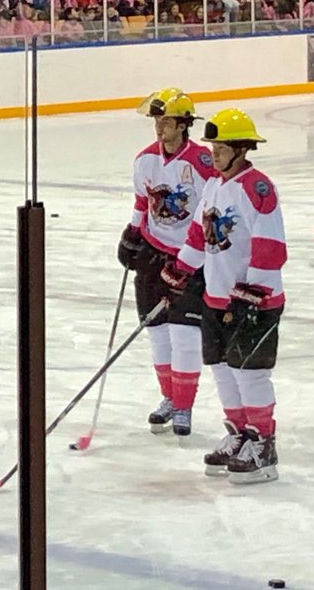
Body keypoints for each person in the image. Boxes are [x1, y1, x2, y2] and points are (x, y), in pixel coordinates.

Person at [162, 108, 286, 484]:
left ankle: (263, 445)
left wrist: (254, 291)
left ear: (242, 149)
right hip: (216, 299)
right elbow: (200, 235)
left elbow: (271, 246)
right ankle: (239, 433)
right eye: (213, 146)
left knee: (250, 373)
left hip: (254, 302)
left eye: (222, 147)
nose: (213, 153)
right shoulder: (214, 185)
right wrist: (182, 269)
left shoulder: (257, 188)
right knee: (222, 370)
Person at [117, 88, 216, 437]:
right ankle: (170, 398)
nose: (160, 128)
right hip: (153, 254)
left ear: (184, 124)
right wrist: (131, 233)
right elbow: (143, 202)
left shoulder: (202, 164)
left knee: (184, 335)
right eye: (158, 121)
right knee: (157, 332)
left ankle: (185, 406)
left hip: (191, 260)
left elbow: (209, 217)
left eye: (168, 122)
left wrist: (190, 260)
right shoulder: (145, 159)